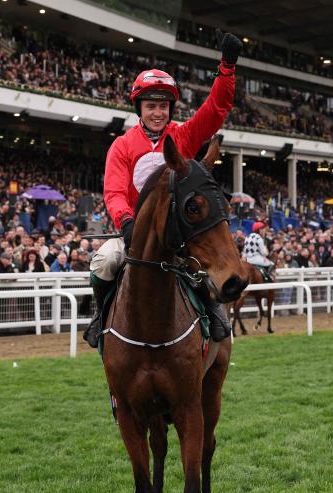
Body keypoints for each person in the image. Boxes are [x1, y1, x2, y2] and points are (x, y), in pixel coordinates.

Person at [87, 30, 243, 346]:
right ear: (139, 109)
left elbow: (215, 109)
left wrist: (226, 68)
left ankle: (214, 314)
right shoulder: (121, 146)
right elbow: (115, 193)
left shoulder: (183, 137)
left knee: (201, 265)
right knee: (103, 261)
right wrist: (126, 223)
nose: (158, 113)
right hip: (135, 233)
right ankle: (100, 319)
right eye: (150, 106)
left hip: (177, 234)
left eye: (163, 106)